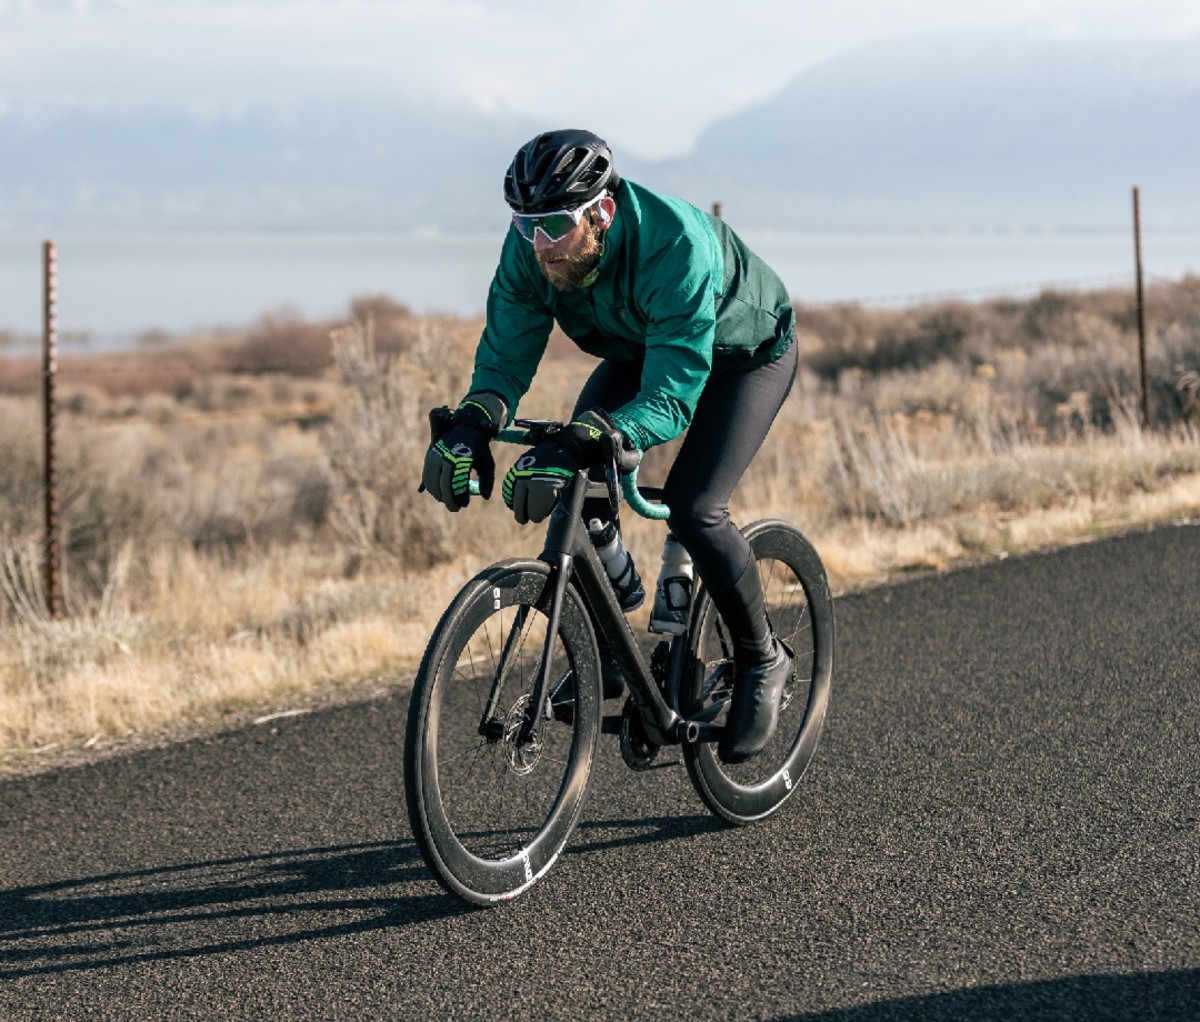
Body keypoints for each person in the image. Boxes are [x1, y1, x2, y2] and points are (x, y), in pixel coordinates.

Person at [421, 128, 798, 764]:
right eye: (525, 224)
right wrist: (473, 424)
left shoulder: (674, 245)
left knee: (694, 506)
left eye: (555, 225)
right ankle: (612, 640)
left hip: (743, 359)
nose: (540, 243)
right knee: (578, 468)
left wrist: (609, 433)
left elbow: (676, 390)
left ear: (601, 211)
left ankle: (762, 660)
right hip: (637, 346)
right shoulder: (531, 251)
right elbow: (505, 359)